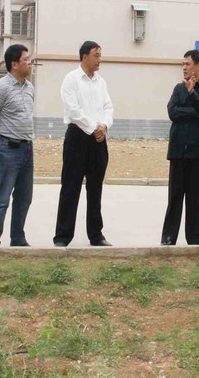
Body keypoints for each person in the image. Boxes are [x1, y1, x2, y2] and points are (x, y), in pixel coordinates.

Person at [54, 41, 114, 247]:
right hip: (77, 138)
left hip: (99, 139)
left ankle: (96, 235)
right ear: (84, 56)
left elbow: (108, 107)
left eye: (100, 55)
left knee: (95, 189)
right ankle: (63, 235)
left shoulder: (101, 82)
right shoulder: (71, 79)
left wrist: (104, 126)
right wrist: (93, 128)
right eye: (96, 55)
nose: (99, 59)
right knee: (70, 187)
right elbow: (73, 110)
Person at [161, 49, 199, 245]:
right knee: (174, 198)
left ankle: (194, 242)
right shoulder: (178, 89)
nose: (184, 68)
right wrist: (195, 113)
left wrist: (192, 93)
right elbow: (172, 112)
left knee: (195, 200)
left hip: (198, 153)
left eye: (187, 64)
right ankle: (168, 240)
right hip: (177, 152)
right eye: (183, 64)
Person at [0, 44, 35, 247]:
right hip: (8, 149)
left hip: (27, 148)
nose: (29, 63)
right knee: (2, 197)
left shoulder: (29, 87)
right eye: (26, 59)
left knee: (24, 197)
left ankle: (18, 238)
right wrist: (3, 136)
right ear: (14, 64)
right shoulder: (1, 87)